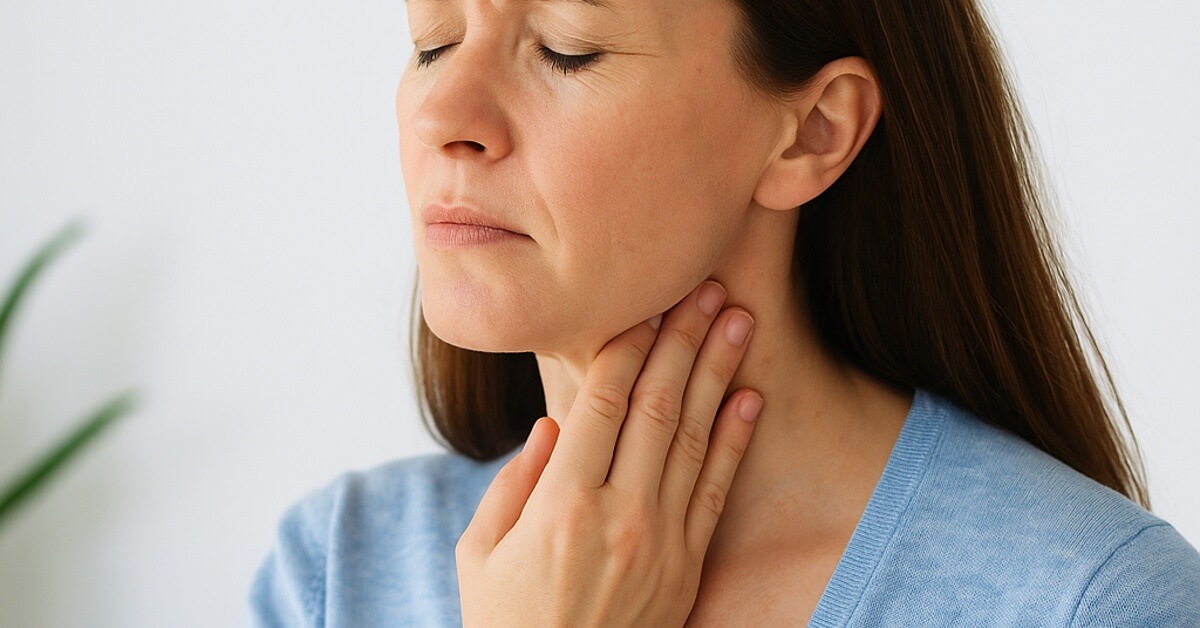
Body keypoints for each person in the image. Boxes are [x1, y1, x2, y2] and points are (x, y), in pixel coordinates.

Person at [248, 0, 1200, 625]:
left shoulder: (1090, 601)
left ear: (814, 132)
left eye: (566, 49)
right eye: (431, 41)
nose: (441, 112)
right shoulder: (337, 572)